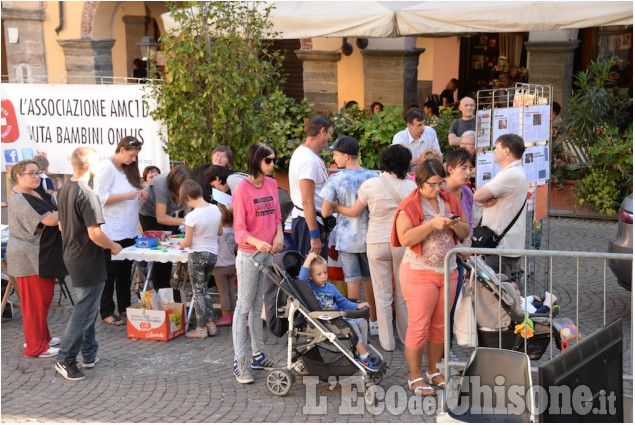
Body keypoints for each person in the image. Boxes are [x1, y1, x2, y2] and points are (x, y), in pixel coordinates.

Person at [392, 158, 470, 396]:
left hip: (448, 271)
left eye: (440, 183)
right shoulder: (410, 204)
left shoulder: (449, 199)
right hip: (419, 273)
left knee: (439, 325)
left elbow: (466, 230)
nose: (438, 189)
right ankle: (414, 377)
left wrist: (455, 225)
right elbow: (404, 239)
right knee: (419, 326)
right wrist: (433, 224)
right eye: (433, 184)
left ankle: (433, 371)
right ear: (420, 182)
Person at [335, 145, 416, 352]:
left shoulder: (371, 185)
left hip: (376, 242)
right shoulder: (410, 188)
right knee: (402, 293)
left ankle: (387, 342)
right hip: (401, 243)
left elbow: (354, 212)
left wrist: (335, 207)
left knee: (382, 294)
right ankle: (407, 339)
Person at [56, 147, 123, 381]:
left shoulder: (64, 189)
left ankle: (89, 353)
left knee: (88, 307)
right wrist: (114, 246)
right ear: (89, 164)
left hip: (74, 254)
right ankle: (65, 357)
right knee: (84, 309)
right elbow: (95, 234)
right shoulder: (87, 193)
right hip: (86, 257)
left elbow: (62, 225)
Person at [232, 142, 284, 384]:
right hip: (249, 254)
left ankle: (258, 355)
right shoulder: (242, 190)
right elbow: (239, 231)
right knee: (243, 306)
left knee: (257, 305)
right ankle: (239, 362)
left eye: (274, 159)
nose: (273, 164)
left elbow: (276, 216)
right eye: (269, 160)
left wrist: (279, 234)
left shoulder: (272, 183)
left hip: (267, 251)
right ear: (256, 161)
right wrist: (257, 242)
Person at [7, 160, 67, 358]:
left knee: (42, 300)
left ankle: (43, 338)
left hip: (42, 253)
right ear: (18, 176)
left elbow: (52, 208)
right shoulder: (20, 199)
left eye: (37, 173)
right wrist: (72, 210)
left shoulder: (35, 191)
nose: (36, 177)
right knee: (35, 303)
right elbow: (50, 219)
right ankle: (35, 346)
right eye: (31, 173)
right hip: (30, 256)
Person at [320, 136, 379, 335]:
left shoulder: (336, 179)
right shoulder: (373, 176)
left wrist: (337, 206)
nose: (334, 158)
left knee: (352, 281)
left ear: (346, 156)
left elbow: (326, 211)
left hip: (347, 239)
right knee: (370, 281)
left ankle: (356, 325)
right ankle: (374, 322)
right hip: (370, 237)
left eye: (336, 154)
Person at [299, 252, 381, 372]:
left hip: (339, 317)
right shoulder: (310, 288)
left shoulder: (331, 288)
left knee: (362, 322)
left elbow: (344, 303)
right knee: (352, 325)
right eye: (319, 274)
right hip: (325, 320)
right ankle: (363, 356)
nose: (323, 277)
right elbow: (301, 279)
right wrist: (309, 259)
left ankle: (360, 350)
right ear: (310, 276)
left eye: (325, 272)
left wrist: (358, 306)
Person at [93, 136, 143, 326]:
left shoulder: (126, 169)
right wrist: (126, 196)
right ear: (121, 150)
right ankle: (106, 310)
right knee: (110, 272)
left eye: (136, 156)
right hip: (112, 229)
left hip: (128, 227)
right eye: (131, 155)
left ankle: (125, 307)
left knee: (125, 270)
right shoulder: (107, 167)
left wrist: (138, 193)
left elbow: (130, 192)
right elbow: (99, 198)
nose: (134, 160)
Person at [473, 134, 527, 277]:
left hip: (501, 246)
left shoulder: (510, 174)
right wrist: (482, 201)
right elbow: (481, 198)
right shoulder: (511, 172)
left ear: (506, 151)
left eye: (496, 147)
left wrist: (481, 200)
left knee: (496, 292)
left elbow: (477, 195)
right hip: (501, 244)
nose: (493, 151)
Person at [177, 179, 222, 339]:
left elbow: (188, 242)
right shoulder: (216, 209)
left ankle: (201, 327)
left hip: (197, 254)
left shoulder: (192, 216)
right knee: (204, 289)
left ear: (188, 197)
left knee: (198, 291)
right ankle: (211, 324)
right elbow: (220, 232)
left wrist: (180, 242)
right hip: (212, 254)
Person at [138, 165, 192, 290]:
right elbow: (160, 217)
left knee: (169, 250)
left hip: (168, 213)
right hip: (149, 214)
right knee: (159, 252)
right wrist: (187, 221)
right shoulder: (161, 184)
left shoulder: (185, 185)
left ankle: (166, 287)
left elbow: (185, 205)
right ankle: (159, 289)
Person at [289, 114, 333, 258]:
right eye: (329, 134)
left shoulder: (307, 155)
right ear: (322, 131)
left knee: (315, 274)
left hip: (311, 222)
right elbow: (307, 201)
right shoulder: (308, 160)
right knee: (313, 274)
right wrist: (314, 236)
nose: (330, 139)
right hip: (309, 224)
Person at [443, 148, 475, 348]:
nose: (468, 172)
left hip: (459, 257)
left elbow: (470, 224)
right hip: (440, 256)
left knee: (453, 305)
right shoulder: (438, 191)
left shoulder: (467, 192)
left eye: (470, 168)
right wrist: (456, 245)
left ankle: (448, 351)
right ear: (450, 169)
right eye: (463, 168)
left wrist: (467, 244)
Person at [392, 107, 441, 172]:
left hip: (428, 175)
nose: (423, 128)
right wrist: (421, 159)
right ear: (409, 125)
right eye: (419, 125)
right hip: (406, 177)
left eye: (424, 123)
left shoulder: (430, 132)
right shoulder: (399, 138)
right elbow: (398, 165)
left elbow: (439, 157)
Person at [214, 204, 237, 326]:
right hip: (232, 264)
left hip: (220, 266)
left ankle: (226, 315)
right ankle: (234, 312)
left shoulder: (218, 233)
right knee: (231, 290)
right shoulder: (234, 231)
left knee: (223, 292)